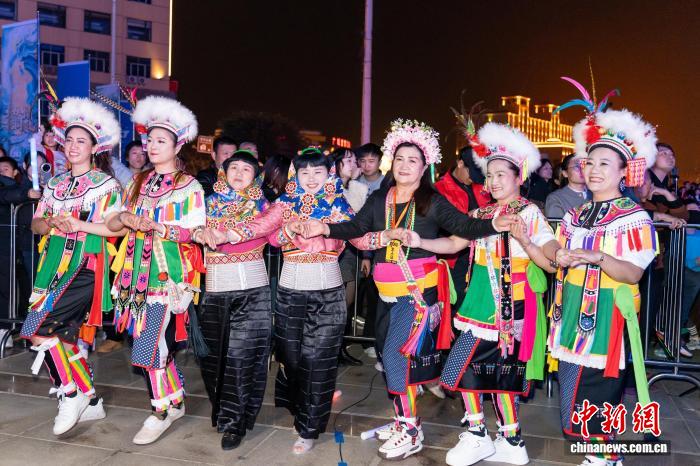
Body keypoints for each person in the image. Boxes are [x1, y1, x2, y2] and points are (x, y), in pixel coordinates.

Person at [302, 119, 520, 460]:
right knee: (390, 357)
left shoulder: (431, 201)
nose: (404, 166)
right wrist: (325, 227)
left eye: (413, 160)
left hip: (417, 294)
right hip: (386, 293)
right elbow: (356, 227)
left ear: (424, 167)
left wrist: (493, 223)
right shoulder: (380, 198)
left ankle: (410, 430)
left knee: (396, 355)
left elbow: (463, 226)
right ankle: (404, 419)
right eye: (400, 159)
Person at [406, 123, 559, 466]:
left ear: (519, 177)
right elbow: (453, 244)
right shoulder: (481, 214)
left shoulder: (529, 213)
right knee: (489, 371)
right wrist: (420, 241)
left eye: (501, 174)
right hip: (478, 302)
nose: (494, 181)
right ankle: (506, 439)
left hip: (510, 306)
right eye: (489, 175)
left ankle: (484, 435)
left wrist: (526, 240)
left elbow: (549, 261)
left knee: (474, 369)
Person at [549, 78, 659, 466]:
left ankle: (604, 456)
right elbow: (555, 258)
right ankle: (600, 454)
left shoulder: (633, 216)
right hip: (570, 309)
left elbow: (632, 273)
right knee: (571, 388)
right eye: (590, 162)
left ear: (624, 172)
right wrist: (544, 248)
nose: (594, 169)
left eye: (605, 164)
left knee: (595, 389)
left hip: (606, 314)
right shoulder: (575, 214)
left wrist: (595, 256)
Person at [223, 147, 360, 454]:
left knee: (317, 362)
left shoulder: (338, 204)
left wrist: (386, 235)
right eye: (304, 172)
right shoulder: (285, 204)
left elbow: (360, 235)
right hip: (289, 295)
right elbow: (262, 229)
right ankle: (300, 407)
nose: (311, 178)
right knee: (293, 359)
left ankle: (309, 427)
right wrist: (226, 234)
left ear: (329, 174)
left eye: (318, 172)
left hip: (328, 296)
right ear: (295, 175)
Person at [18, 98, 123, 436]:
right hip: (52, 266)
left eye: (82, 141)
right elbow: (36, 225)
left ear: (94, 147)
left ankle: (71, 393)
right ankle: (91, 401)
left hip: (85, 265)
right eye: (70, 140)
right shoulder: (55, 184)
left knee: (37, 329)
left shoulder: (106, 185)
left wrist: (79, 225)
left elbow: (115, 228)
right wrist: (51, 223)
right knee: (62, 339)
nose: (74, 146)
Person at [108, 96, 205, 445]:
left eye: (161, 140)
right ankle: (175, 399)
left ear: (177, 146)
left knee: (147, 345)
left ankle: (160, 411)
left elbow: (196, 230)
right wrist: (125, 217)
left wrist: (160, 228)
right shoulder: (138, 182)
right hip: (133, 274)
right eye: (149, 139)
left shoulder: (189, 186)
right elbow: (114, 220)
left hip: (167, 275)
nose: (152, 146)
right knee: (147, 341)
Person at [195, 150, 272, 451]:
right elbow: (187, 230)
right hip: (215, 291)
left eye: (246, 169)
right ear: (223, 172)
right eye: (234, 168)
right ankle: (224, 412)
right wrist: (199, 231)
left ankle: (234, 423)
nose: (239, 173)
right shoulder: (205, 204)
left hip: (251, 293)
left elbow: (266, 232)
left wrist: (227, 234)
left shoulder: (264, 205)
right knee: (212, 360)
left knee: (241, 359)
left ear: (256, 176)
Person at [0, 156, 41, 347]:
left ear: (15, 171)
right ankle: (5, 329)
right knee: (7, 288)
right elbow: (7, 195)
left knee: (31, 288)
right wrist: (27, 191)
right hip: (10, 246)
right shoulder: (17, 188)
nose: (1, 172)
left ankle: (32, 329)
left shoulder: (48, 184)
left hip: (32, 245)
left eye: (5, 169)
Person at [545, 153, 588, 218]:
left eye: (584, 165)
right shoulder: (555, 198)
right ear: (565, 173)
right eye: (577, 167)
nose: (582, 170)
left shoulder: (597, 194)